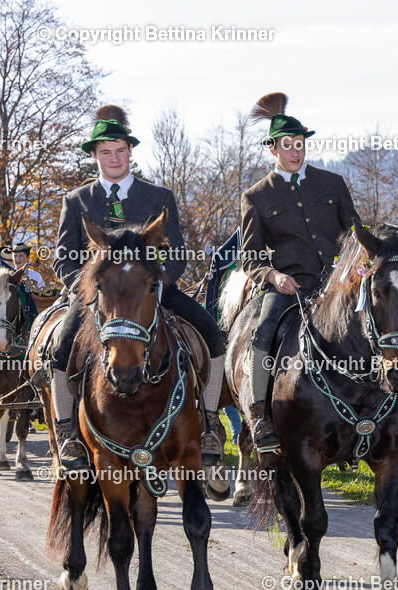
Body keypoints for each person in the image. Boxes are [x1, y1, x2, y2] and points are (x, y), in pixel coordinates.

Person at [51, 104, 228, 472]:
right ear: (94, 156)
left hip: (152, 292)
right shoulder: (76, 201)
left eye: (119, 151)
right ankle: (67, 432)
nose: (113, 158)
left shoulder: (158, 197)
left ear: (130, 152)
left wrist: (158, 287)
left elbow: (176, 252)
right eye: (105, 152)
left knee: (213, 334)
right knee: (60, 346)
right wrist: (87, 291)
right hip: (99, 298)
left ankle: (210, 423)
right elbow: (63, 260)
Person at [240, 92, 362, 451]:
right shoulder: (256, 196)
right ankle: (260, 415)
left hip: (341, 284)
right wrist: (273, 276)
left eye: (300, 144)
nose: (295, 151)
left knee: (387, 316)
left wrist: (359, 264)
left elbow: (356, 234)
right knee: (262, 334)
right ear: (272, 149)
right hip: (289, 287)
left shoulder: (332, 184)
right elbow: (249, 258)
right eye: (287, 146)